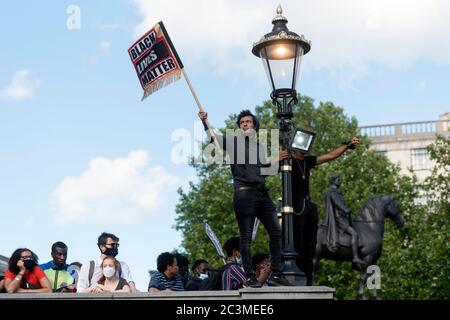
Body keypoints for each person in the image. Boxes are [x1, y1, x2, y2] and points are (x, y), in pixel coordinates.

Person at [198, 110, 290, 287]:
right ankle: (249, 276)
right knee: (246, 238)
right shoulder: (233, 141)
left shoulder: (259, 146)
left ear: (254, 125)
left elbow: (264, 170)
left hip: (262, 194)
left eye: (248, 121)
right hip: (244, 194)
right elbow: (214, 139)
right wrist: (205, 122)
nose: (245, 124)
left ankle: (277, 273)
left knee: (276, 233)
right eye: (241, 122)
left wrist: (278, 161)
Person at [280, 136, 360, 283]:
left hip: (308, 205)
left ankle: (308, 277)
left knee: (311, 244)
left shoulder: (308, 161)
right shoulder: (286, 161)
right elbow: (266, 167)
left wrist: (347, 145)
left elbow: (330, 156)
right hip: (295, 206)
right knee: (298, 242)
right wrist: (280, 155)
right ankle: (295, 273)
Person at [324, 175, 365, 266]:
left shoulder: (334, 191)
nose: (340, 181)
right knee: (354, 233)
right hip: (339, 218)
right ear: (333, 181)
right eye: (338, 180)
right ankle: (355, 257)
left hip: (341, 217)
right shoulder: (333, 192)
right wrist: (345, 209)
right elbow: (337, 203)